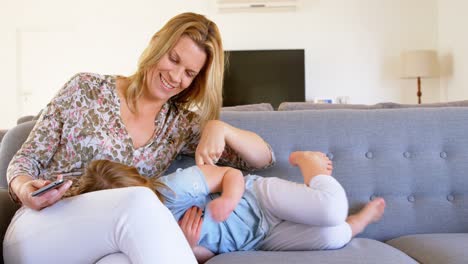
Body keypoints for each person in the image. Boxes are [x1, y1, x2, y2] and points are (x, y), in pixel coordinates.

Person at [3, 12, 274, 264]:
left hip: (108, 244)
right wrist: (27, 190)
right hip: (44, 226)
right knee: (142, 200)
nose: (175, 76)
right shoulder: (85, 88)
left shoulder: (178, 125)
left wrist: (219, 127)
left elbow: (262, 158)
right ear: (156, 44)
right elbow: (25, 161)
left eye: (189, 73)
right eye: (173, 59)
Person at [71, 151, 386, 263]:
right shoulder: (143, 237)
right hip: (259, 239)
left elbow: (230, 174)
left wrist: (228, 200)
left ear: (141, 187)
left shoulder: (173, 190)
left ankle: (309, 162)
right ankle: (359, 221)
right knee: (335, 236)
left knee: (329, 210)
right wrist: (190, 247)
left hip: (258, 198)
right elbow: (212, 253)